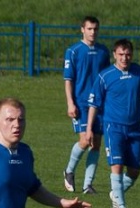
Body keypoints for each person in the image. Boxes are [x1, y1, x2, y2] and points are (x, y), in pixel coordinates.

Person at [84, 38, 140, 208]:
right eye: (121, 54)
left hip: (135, 129)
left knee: (135, 170)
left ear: (132, 55)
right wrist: (89, 129)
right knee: (117, 166)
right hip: (113, 128)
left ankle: (115, 193)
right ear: (114, 55)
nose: (124, 58)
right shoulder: (105, 76)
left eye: (128, 54)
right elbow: (94, 104)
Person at [62, 16, 110, 196]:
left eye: (95, 29)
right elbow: (68, 80)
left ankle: (87, 185)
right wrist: (70, 103)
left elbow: (106, 79)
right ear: (82, 29)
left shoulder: (103, 51)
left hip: (99, 104)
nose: (93, 32)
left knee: (96, 143)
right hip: (81, 103)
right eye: (89, 29)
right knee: (85, 140)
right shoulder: (73, 51)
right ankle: (69, 171)